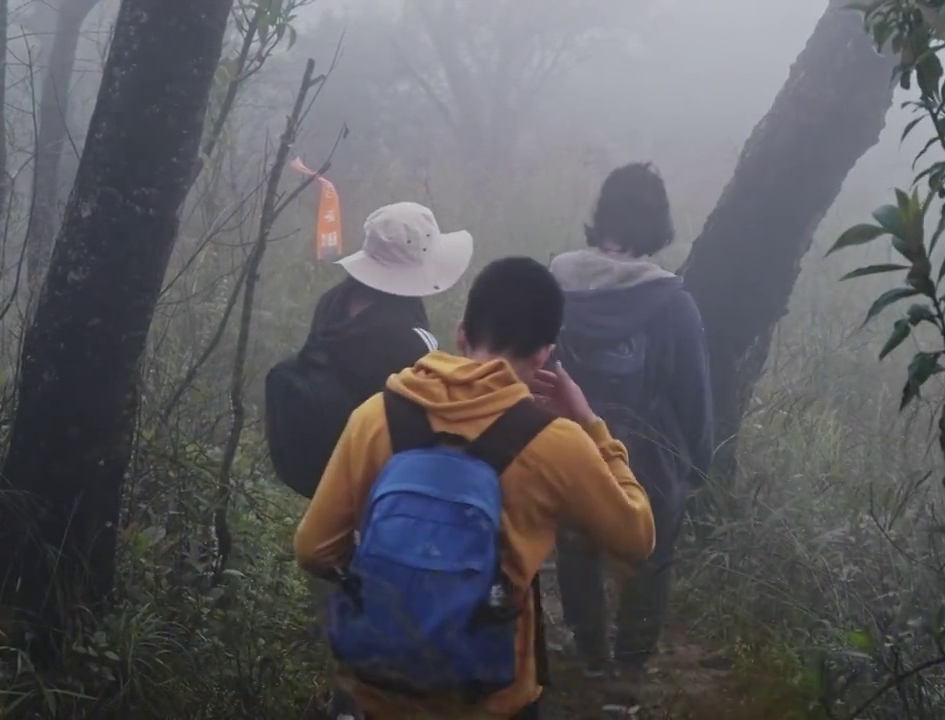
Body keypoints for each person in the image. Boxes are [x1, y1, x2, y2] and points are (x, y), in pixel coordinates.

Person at [294, 256, 657, 720]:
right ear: (545, 354)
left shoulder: (375, 416)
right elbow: (637, 537)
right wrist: (591, 424)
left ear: (462, 332)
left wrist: (388, 582)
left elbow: (313, 548)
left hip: (380, 693)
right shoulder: (557, 442)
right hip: (492, 699)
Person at [263, 201, 473, 720]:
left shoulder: (332, 306)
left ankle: (346, 706)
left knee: (344, 634)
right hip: (382, 509)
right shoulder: (411, 340)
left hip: (328, 495)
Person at [548, 162, 714, 714]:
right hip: (648, 455)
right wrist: (699, 466)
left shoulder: (554, 286)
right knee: (651, 557)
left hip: (570, 448)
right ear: (658, 226)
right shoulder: (671, 303)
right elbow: (694, 394)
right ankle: (627, 679)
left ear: (601, 217)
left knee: (575, 547)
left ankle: (589, 652)